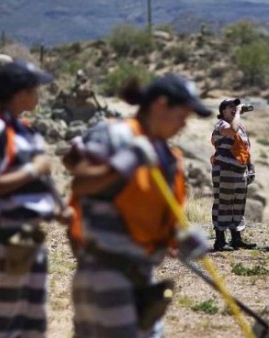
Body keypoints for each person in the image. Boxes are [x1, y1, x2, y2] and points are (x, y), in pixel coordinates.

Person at [63, 74, 210, 337]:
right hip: (104, 274)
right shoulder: (116, 135)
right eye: (182, 114)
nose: (185, 123)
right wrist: (121, 165)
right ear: (160, 105)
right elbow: (81, 182)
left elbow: (150, 215)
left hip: (142, 277)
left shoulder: (167, 156)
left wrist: (180, 237)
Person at [0, 59, 71, 337]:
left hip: (29, 240)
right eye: (34, 89)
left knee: (32, 323)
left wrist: (58, 209)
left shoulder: (27, 130)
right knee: (3, 323)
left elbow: (41, 181)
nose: (38, 95)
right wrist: (33, 168)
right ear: (20, 92)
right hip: (2, 239)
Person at [210, 98, 257, 251]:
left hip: (240, 171)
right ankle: (220, 240)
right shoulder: (222, 124)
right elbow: (232, 130)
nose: (234, 108)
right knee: (223, 203)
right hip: (225, 170)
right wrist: (238, 112)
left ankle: (236, 238)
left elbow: (246, 148)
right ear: (223, 111)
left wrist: (251, 167)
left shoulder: (241, 127)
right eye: (230, 106)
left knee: (238, 205)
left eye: (235, 106)